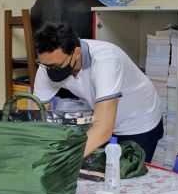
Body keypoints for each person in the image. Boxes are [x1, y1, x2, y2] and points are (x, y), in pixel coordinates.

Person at [33, 23, 164, 161]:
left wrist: (62, 160)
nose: (50, 70)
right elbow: (37, 119)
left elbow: (102, 131)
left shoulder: (106, 60)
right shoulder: (48, 65)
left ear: (76, 53)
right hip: (104, 121)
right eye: (45, 65)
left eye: (57, 66)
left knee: (127, 175)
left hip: (139, 121)